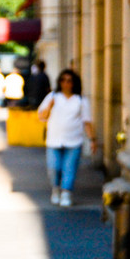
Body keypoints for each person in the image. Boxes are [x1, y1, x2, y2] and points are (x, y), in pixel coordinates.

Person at [37, 69, 96, 207]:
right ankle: (56, 189)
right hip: (54, 140)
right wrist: (49, 107)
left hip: (74, 140)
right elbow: (42, 117)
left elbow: (87, 122)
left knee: (69, 168)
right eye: (63, 80)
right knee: (54, 168)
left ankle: (66, 192)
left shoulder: (80, 100)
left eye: (69, 81)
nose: (66, 83)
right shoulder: (52, 96)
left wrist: (92, 140)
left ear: (74, 83)